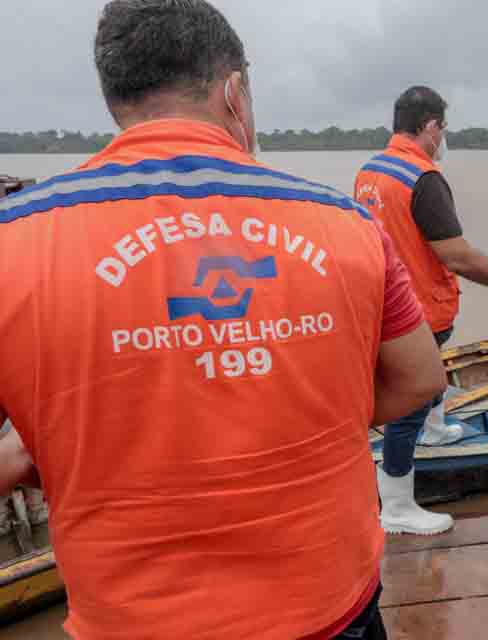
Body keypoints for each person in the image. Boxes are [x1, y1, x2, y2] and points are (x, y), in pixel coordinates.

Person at [0, 1, 448, 638]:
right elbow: (419, 379)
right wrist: (298, 415)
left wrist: (41, 447)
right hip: (327, 604)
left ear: (115, 99)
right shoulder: (346, 224)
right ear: (235, 92)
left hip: (133, 619)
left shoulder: (17, 238)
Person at [354, 86, 488, 536]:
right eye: (442, 127)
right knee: (410, 404)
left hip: (383, 301)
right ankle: (398, 506)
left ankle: (436, 428)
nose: (443, 137)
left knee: (432, 376)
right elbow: (458, 256)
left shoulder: (371, 170)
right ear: (430, 126)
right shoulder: (422, 178)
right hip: (418, 307)